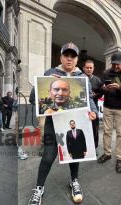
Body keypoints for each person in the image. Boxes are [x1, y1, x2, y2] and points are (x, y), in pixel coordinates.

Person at [27, 42, 97, 205]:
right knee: (48, 156)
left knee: (75, 153)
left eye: (73, 56)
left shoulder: (82, 77)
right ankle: (39, 189)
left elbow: (89, 98)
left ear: (77, 59)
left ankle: (74, 182)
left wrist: (93, 111)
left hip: (76, 121)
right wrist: (46, 84)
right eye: (67, 55)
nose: (69, 59)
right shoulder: (50, 73)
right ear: (61, 57)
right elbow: (32, 98)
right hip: (54, 122)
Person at [97, 51, 121, 173]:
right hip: (107, 107)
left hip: (120, 109)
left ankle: (119, 158)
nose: (116, 66)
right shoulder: (106, 73)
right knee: (107, 132)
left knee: (120, 134)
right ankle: (107, 153)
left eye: (119, 64)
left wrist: (119, 87)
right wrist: (104, 88)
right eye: (114, 64)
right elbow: (101, 86)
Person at [83, 60, 103, 152]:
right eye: (87, 67)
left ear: (93, 69)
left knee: (94, 127)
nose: (89, 69)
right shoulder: (79, 77)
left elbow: (101, 92)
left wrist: (95, 95)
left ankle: (94, 147)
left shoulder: (97, 80)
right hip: (82, 108)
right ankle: (83, 146)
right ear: (84, 68)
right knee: (83, 128)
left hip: (93, 106)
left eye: (91, 68)